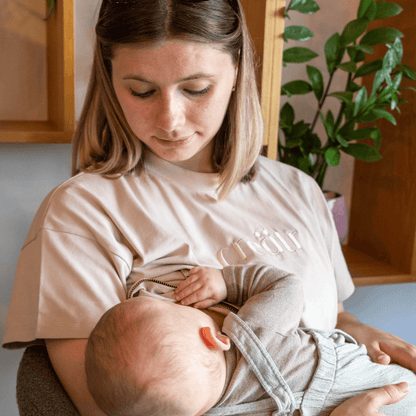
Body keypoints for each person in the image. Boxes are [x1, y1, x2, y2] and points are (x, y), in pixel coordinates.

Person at [2, 0, 415, 414]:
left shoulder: (298, 188)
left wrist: (355, 329)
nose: (170, 120)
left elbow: (329, 315)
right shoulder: (83, 211)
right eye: (141, 90)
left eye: (196, 89)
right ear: (110, 80)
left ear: (237, 71)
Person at [84, 264, 416, 415]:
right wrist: (226, 281)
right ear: (215, 338)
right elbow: (287, 285)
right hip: (389, 382)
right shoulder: (255, 331)